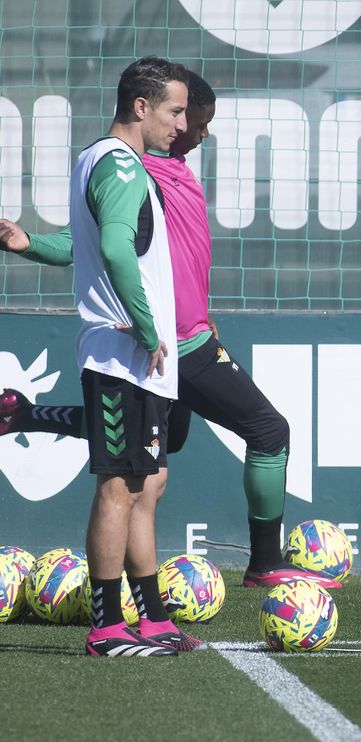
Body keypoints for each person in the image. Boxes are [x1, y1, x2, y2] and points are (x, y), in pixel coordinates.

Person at [0, 70, 337, 593]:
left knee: (161, 443)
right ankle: (265, 563)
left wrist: (201, 312)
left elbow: (171, 256)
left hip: (185, 337)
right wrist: (32, 245)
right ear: (152, 113)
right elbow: (88, 244)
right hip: (166, 345)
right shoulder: (135, 169)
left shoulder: (169, 168)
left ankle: (28, 415)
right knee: (269, 432)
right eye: (190, 121)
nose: (198, 133)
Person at [37, 56, 202, 655]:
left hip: (137, 357)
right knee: (118, 488)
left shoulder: (103, 163)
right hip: (122, 353)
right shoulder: (122, 164)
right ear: (141, 106)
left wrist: (26, 242)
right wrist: (144, 323)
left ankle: (151, 617)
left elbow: (79, 245)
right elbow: (111, 245)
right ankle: (108, 626)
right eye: (174, 110)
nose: (181, 125)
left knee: (145, 485)